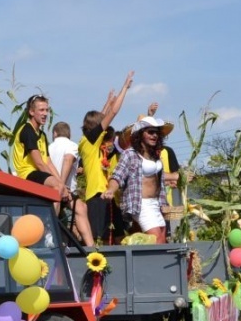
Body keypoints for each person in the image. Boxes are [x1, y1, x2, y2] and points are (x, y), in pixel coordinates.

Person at [101, 116, 175, 243]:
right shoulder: (130, 154)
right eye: (150, 132)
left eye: (156, 132)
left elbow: (157, 177)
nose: (154, 135)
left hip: (157, 203)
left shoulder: (154, 155)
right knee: (155, 238)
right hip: (141, 204)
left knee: (162, 239)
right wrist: (111, 190)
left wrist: (177, 177)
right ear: (140, 135)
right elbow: (118, 175)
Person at [79, 72, 134, 244]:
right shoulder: (89, 142)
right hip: (97, 197)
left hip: (107, 195)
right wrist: (125, 87)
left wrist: (107, 103)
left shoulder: (90, 141)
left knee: (119, 236)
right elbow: (113, 114)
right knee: (100, 239)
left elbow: (100, 119)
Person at [49, 121, 94, 246]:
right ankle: (91, 246)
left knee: (80, 207)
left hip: (50, 189)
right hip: (65, 189)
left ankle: (49, 238)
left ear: (54, 133)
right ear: (69, 134)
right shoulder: (72, 145)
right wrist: (61, 186)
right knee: (81, 210)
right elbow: (68, 159)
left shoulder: (48, 147)